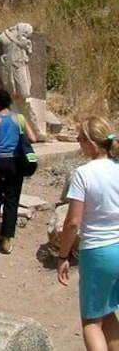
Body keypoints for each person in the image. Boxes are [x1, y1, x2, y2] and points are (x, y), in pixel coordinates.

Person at [57, 116, 119, 351]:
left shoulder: (84, 174)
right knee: (108, 311)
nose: (78, 142)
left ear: (91, 143)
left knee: (91, 321)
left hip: (98, 251)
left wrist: (63, 256)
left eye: (80, 138)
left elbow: (73, 222)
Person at [0, 89, 36, 254]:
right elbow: (32, 138)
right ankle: (6, 239)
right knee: (12, 198)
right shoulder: (19, 119)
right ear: (9, 102)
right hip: (14, 161)